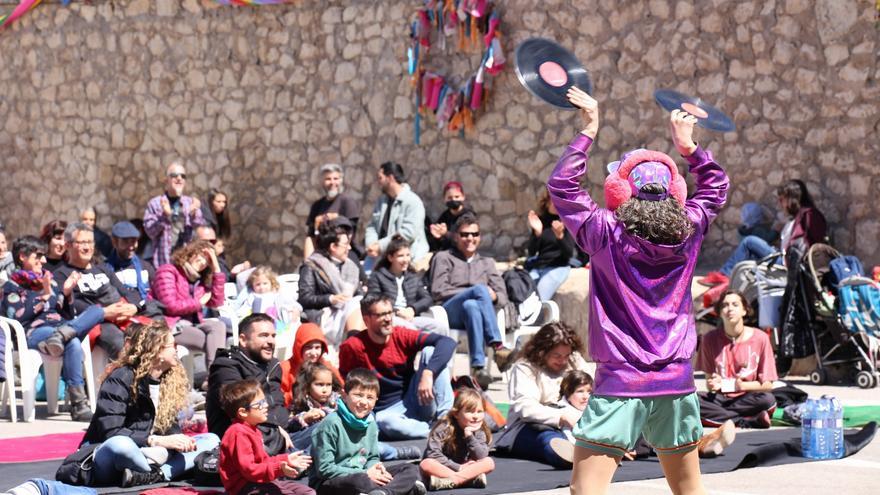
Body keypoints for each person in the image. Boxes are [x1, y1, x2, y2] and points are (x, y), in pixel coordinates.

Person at [553, 87, 728, 494]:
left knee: (586, 492)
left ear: (621, 192)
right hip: (677, 382)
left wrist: (588, 129)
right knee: (689, 492)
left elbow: (562, 186)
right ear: (675, 193)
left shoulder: (605, 233)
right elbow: (716, 187)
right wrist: (689, 147)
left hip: (621, 383)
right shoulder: (690, 229)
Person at [82, 321, 220, 487]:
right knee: (121, 445)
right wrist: (157, 441)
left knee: (211, 439)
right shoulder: (121, 378)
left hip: (152, 451)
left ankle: (155, 474)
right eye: (173, 345)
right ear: (157, 350)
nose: (177, 350)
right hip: (113, 454)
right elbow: (111, 432)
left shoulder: (168, 382)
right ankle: (162, 469)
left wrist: (179, 441)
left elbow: (170, 428)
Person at [0, 235, 105, 421]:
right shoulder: (11, 285)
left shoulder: (50, 280)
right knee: (71, 340)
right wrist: (45, 296)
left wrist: (66, 292)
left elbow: (66, 313)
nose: (43, 260)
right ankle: (79, 404)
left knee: (97, 311)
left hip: (60, 327)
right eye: (38, 256)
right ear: (22, 257)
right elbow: (16, 315)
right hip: (33, 333)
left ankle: (62, 335)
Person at [338, 294, 456, 440]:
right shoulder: (353, 347)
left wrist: (428, 373)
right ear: (366, 319)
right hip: (387, 411)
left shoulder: (401, 335)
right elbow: (344, 382)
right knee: (386, 422)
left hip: (419, 398)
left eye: (389, 312)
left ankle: (448, 420)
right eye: (381, 315)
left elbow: (447, 342)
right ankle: (435, 432)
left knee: (431, 352)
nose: (388, 319)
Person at [309, 368, 426, 495]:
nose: (364, 402)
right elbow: (325, 469)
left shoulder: (371, 423)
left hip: (365, 476)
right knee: (360, 480)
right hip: (330, 482)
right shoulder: (330, 425)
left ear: (376, 400)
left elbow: (372, 456)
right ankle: (401, 490)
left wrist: (376, 467)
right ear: (344, 395)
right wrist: (366, 473)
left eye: (370, 397)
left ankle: (384, 492)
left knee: (410, 469)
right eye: (358, 395)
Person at [429, 213, 512, 388]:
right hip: (450, 310)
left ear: (479, 237)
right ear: (455, 236)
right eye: (465, 234)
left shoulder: (487, 263)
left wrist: (494, 296)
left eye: (474, 234)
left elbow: (502, 296)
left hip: (474, 312)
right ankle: (497, 346)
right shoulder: (443, 258)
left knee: (472, 306)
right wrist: (475, 291)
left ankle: (478, 368)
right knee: (478, 291)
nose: (470, 238)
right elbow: (438, 290)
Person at [493, 322, 590, 469]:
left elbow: (592, 389)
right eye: (556, 355)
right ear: (542, 351)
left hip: (574, 422)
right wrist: (562, 417)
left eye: (566, 355)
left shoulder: (574, 360)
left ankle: (599, 451)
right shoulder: (525, 367)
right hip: (531, 426)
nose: (563, 360)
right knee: (548, 439)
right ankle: (572, 455)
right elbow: (526, 408)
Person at [287, 360, 419, 462]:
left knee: (375, 448)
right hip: (324, 446)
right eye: (319, 385)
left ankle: (396, 453)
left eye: (328, 385)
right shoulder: (303, 403)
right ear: (308, 386)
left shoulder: (338, 400)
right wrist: (304, 418)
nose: (325, 389)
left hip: (349, 439)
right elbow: (291, 426)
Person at [703, 180, 827, 283]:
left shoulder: (810, 215)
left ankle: (724, 275)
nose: (780, 204)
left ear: (792, 199)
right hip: (785, 257)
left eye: (782, 200)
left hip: (790, 262)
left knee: (749, 242)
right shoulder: (798, 217)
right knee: (750, 254)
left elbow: (812, 244)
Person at [52, 222, 142, 359]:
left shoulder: (103, 269)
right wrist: (105, 312)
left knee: (153, 337)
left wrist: (134, 307)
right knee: (122, 344)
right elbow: (73, 305)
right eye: (82, 242)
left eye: (90, 242)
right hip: (97, 324)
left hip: (123, 317)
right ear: (68, 245)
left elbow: (127, 292)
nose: (87, 247)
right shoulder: (61, 274)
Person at [207, 313, 292, 456]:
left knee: (323, 429)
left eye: (273, 336)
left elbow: (277, 405)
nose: (271, 341)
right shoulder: (226, 366)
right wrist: (275, 429)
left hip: (279, 434)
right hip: (245, 443)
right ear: (243, 340)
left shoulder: (272, 366)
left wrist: (298, 420)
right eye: (264, 335)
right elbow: (239, 409)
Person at [218, 379, 315, 495]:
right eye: (260, 404)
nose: (266, 405)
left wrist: (286, 459)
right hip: (245, 487)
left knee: (307, 492)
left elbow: (263, 461)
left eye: (264, 401)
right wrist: (280, 469)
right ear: (243, 412)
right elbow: (250, 470)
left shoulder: (253, 429)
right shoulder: (238, 433)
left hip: (261, 481)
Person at [697, 291, 778, 428]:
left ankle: (723, 417)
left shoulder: (760, 338)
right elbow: (709, 383)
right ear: (720, 312)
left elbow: (768, 385)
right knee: (693, 401)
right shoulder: (709, 339)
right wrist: (713, 384)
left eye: (735, 304)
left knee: (768, 400)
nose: (730, 309)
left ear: (744, 311)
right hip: (721, 399)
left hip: (748, 397)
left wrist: (739, 386)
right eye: (725, 305)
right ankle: (747, 420)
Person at [151, 240, 226, 375]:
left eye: (208, 261)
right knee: (212, 342)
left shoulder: (200, 280)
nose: (203, 262)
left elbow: (216, 301)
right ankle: (216, 378)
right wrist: (198, 303)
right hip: (170, 325)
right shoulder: (168, 271)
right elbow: (170, 306)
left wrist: (216, 268)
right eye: (202, 255)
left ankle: (213, 379)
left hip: (193, 323)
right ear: (190, 252)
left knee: (218, 326)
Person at [298, 220, 365, 349]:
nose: (349, 248)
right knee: (356, 305)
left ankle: (355, 349)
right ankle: (353, 351)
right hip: (323, 315)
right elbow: (305, 298)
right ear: (333, 246)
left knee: (362, 306)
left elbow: (358, 294)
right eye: (346, 244)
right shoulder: (311, 266)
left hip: (348, 312)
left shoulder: (350, 267)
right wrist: (330, 299)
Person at [367, 235, 448, 336]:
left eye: (408, 255)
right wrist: (395, 312)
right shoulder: (378, 276)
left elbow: (427, 298)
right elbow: (372, 299)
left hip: (410, 316)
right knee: (411, 329)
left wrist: (412, 309)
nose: (406, 260)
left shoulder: (412, 277)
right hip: (390, 318)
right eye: (401, 256)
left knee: (440, 328)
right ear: (390, 257)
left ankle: (431, 352)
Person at [419, 388, 495, 491]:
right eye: (470, 412)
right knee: (426, 464)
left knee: (489, 462)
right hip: (444, 467)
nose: (476, 416)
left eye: (479, 411)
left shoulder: (479, 430)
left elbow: (481, 456)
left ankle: (452, 481)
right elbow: (433, 454)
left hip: (466, 468)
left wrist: (469, 436)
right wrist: (458, 467)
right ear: (456, 414)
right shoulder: (443, 428)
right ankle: (468, 480)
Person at [364, 162, 429, 272]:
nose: (378, 182)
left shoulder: (413, 201)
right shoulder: (381, 201)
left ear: (390, 178)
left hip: (407, 260)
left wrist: (380, 246)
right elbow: (372, 226)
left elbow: (408, 233)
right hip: (381, 257)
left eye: (380, 178)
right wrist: (371, 245)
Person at [143, 161, 205, 267]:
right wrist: (165, 216)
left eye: (183, 176)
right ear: (166, 180)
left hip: (186, 264)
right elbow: (150, 231)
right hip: (163, 263)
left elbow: (199, 226)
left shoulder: (190, 203)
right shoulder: (156, 203)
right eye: (174, 175)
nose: (179, 178)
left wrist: (194, 214)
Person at [525, 190, 576, 301]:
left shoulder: (566, 221)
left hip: (558, 267)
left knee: (539, 300)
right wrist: (537, 233)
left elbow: (569, 254)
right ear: (547, 201)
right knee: (524, 293)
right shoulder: (540, 221)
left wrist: (560, 236)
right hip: (539, 267)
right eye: (555, 200)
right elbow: (532, 252)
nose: (558, 203)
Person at [304, 163, 362, 260]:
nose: (332, 182)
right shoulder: (317, 206)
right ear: (322, 182)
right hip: (319, 255)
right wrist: (308, 261)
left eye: (335, 179)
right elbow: (311, 236)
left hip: (344, 254)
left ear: (341, 181)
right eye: (328, 179)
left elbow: (350, 233)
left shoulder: (347, 202)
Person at [279, 322, 344, 408]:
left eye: (317, 348)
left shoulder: (326, 367)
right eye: (308, 347)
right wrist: (299, 394)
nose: (314, 353)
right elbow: (278, 399)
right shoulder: (285, 368)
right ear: (299, 347)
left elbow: (341, 389)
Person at [104, 221, 155, 305]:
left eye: (133, 241)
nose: (131, 247)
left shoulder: (146, 268)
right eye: (125, 242)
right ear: (114, 242)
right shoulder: (105, 270)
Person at [234, 265, 301, 327]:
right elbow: (244, 310)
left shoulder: (276, 295)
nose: (262, 287)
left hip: (277, 323)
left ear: (271, 283)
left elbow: (293, 304)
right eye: (258, 284)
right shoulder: (252, 296)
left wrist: (296, 310)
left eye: (265, 283)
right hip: (257, 324)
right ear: (252, 285)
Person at [426, 181, 475, 253]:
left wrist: (446, 234)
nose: (453, 200)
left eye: (457, 197)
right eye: (449, 197)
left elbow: (465, 239)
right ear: (444, 199)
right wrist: (437, 236)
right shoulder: (445, 216)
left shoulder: (468, 217)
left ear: (463, 197)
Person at [557, 370, 593, 444]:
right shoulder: (566, 414)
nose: (586, 396)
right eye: (580, 391)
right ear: (568, 394)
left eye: (589, 392)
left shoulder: (595, 409)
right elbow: (573, 443)